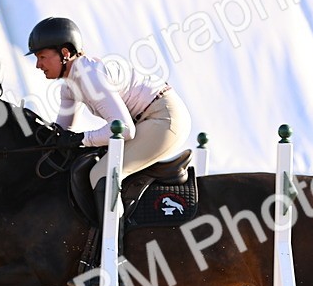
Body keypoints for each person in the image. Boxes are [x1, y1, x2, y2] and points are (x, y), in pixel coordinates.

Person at [27, 16, 192, 192]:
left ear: (65, 53)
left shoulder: (90, 76)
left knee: (101, 174)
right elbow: (60, 135)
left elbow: (125, 129)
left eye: (42, 56)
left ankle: (114, 221)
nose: (38, 65)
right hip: (150, 119)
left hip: (164, 119)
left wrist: (81, 138)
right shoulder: (69, 88)